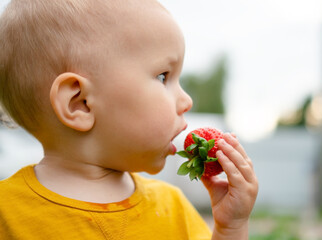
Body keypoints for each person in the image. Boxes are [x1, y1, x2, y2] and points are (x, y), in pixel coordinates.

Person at [0, 0, 258, 239]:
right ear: (80, 102)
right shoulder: (6, 214)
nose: (187, 101)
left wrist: (230, 229)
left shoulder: (174, 209)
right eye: (163, 77)